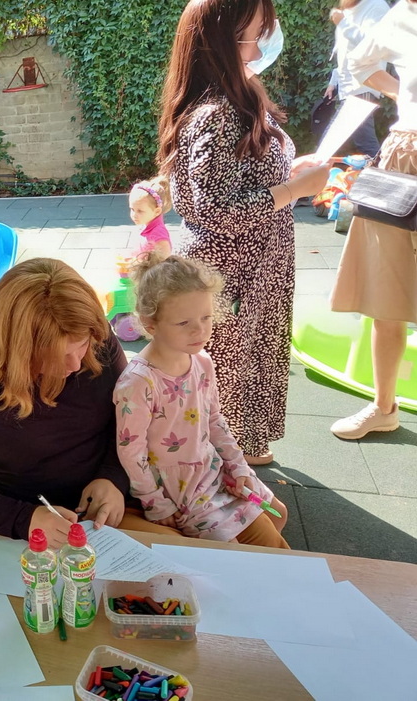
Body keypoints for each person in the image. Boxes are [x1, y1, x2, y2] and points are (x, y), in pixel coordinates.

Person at [157, 0, 330, 466]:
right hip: (230, 272)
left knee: (253, 354)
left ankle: (242, 444)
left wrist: (293, 170)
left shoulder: (239, 95)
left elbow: (246, 173)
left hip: (259, 264)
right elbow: (213, 208)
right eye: (254, 34)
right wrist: (293, 189)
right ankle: (221, 456)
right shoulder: (215, 113)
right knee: (229, 365)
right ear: (222, 41)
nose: (260, 46)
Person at [0, 258, 186, 550]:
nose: (76, 364)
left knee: (178, 555)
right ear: (18, 350)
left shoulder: (94, 336)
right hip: (18, 514)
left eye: (81, 346)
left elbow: (128, 421)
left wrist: (113, 478)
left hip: (101, 509)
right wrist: (25, 518)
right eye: (57, 356)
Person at [113, 254, 289, 548]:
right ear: (150, 323)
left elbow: (214, 419)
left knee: (277, 512)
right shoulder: (138, 382)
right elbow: (131, 452)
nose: (200, 330)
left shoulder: (202, 361)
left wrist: (238, 466)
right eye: (184, 322)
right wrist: (155, 501)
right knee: (229, 550)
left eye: (206, 317)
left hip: (214, 470)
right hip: (180, 490)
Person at [330, 0, 417, 439]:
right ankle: (384, 407)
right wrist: (404, 95)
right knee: (387, 293)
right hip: (405, 155)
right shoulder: (402, 14)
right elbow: (360, 63)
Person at [324, 0, 391, 159]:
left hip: (363, 85)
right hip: (351, 87)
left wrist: (343, 23)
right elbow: (346, 52)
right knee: (334, 143)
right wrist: (334, 81)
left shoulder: (377, 6)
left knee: (334, 144)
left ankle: (382, 172)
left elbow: (372, 47)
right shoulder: (352, 9)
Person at [129, 176, 173, 257]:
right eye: (132, 209)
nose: (134, 215)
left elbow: (165, 260)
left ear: (157, 211)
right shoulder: (145, 224)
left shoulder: (159, 235)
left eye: (140, 211)